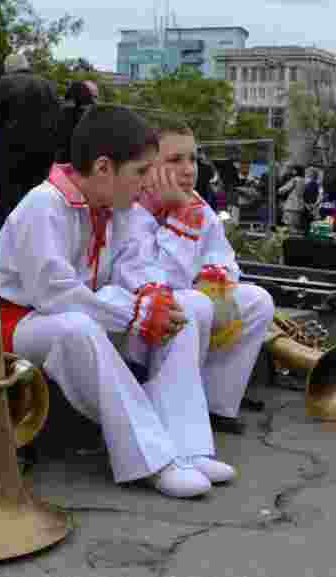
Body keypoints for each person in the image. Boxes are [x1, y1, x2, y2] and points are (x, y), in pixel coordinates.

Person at [0, 105, 233, 499]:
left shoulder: (116, 209)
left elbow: (135, 267)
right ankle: (152, 460)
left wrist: (154, 296)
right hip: (15, 324)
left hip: (79, 313)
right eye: (140, 172)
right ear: (104, 167)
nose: (146, 184)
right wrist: (132, 312)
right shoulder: (44, 204)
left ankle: (188, 446)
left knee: (185, 309)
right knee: (78, 328)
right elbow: (53, 294)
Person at [113, 115, 276, 436]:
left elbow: (224, 257)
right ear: (146, 167)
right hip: (137, 321)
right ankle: (165, 408)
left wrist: (217, 277)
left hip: (187, 303)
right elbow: (157, 281)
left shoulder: (196, 203)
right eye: (175, 160)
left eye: (193, 158)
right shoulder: (128, 209)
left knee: (257, 300)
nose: (189, 169)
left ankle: (216, 403)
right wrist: (181, 219)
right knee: (189, 304)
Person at [0, 53, 62, 230]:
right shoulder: (48, 85)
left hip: (8, 154)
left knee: (7, 203)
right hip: (43, 154)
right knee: (36, 200)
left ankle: (9, 239)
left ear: (8, 69)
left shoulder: (1, 84)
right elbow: (57, 119)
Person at [55, 80, 99, 164]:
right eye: (93, 96)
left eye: (96, 97)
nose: (95, 101)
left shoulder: (60, 111)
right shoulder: (91, 117)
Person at [278, 165, 307, 231]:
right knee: (296, 224)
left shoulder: (295, 179)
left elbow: (285, 189)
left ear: (296, 171)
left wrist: (278, 190)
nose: (292, 171)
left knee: (289, 224)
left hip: (291, 204)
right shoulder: (303, 180)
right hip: (299, 204)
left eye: (293, 170)